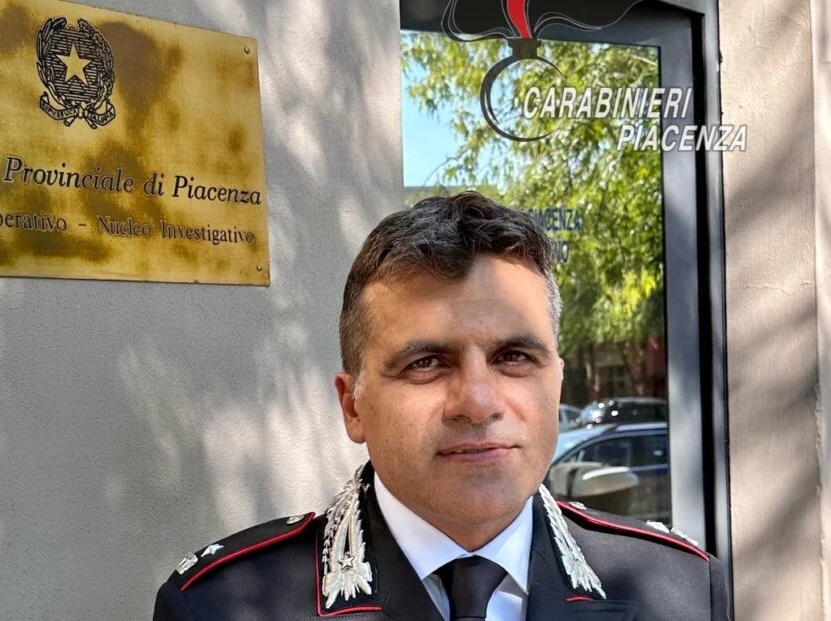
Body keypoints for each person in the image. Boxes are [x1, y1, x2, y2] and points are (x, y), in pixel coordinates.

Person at [153, 192, 730, 621]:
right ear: (353, 407)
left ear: (556, 383)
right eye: (426, 362)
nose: (477, 403)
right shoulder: (219, 606)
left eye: (514, 357)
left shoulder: (680, 590)